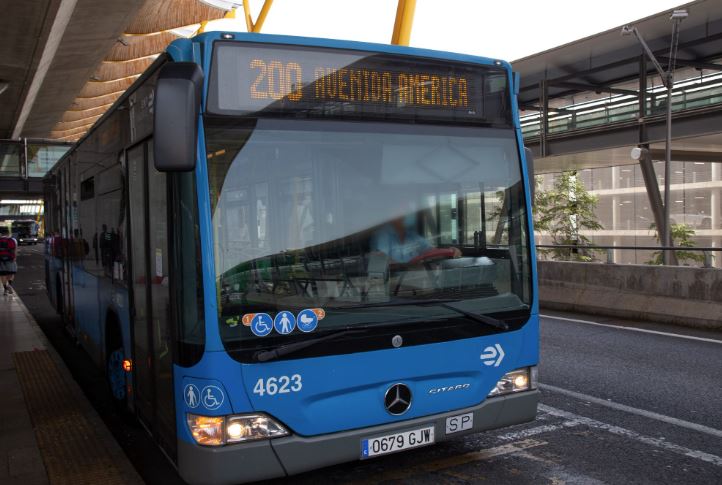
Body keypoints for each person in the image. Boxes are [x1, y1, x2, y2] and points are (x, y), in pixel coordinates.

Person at [370, 209, 461, 264]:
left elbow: (430, 252)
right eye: (399, 211)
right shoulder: (382, 236)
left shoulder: (412, 236)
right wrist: (411, 265)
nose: (404, 215)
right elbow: (382, 262)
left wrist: (450, 251)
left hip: (414, 283)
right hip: (389, 286)